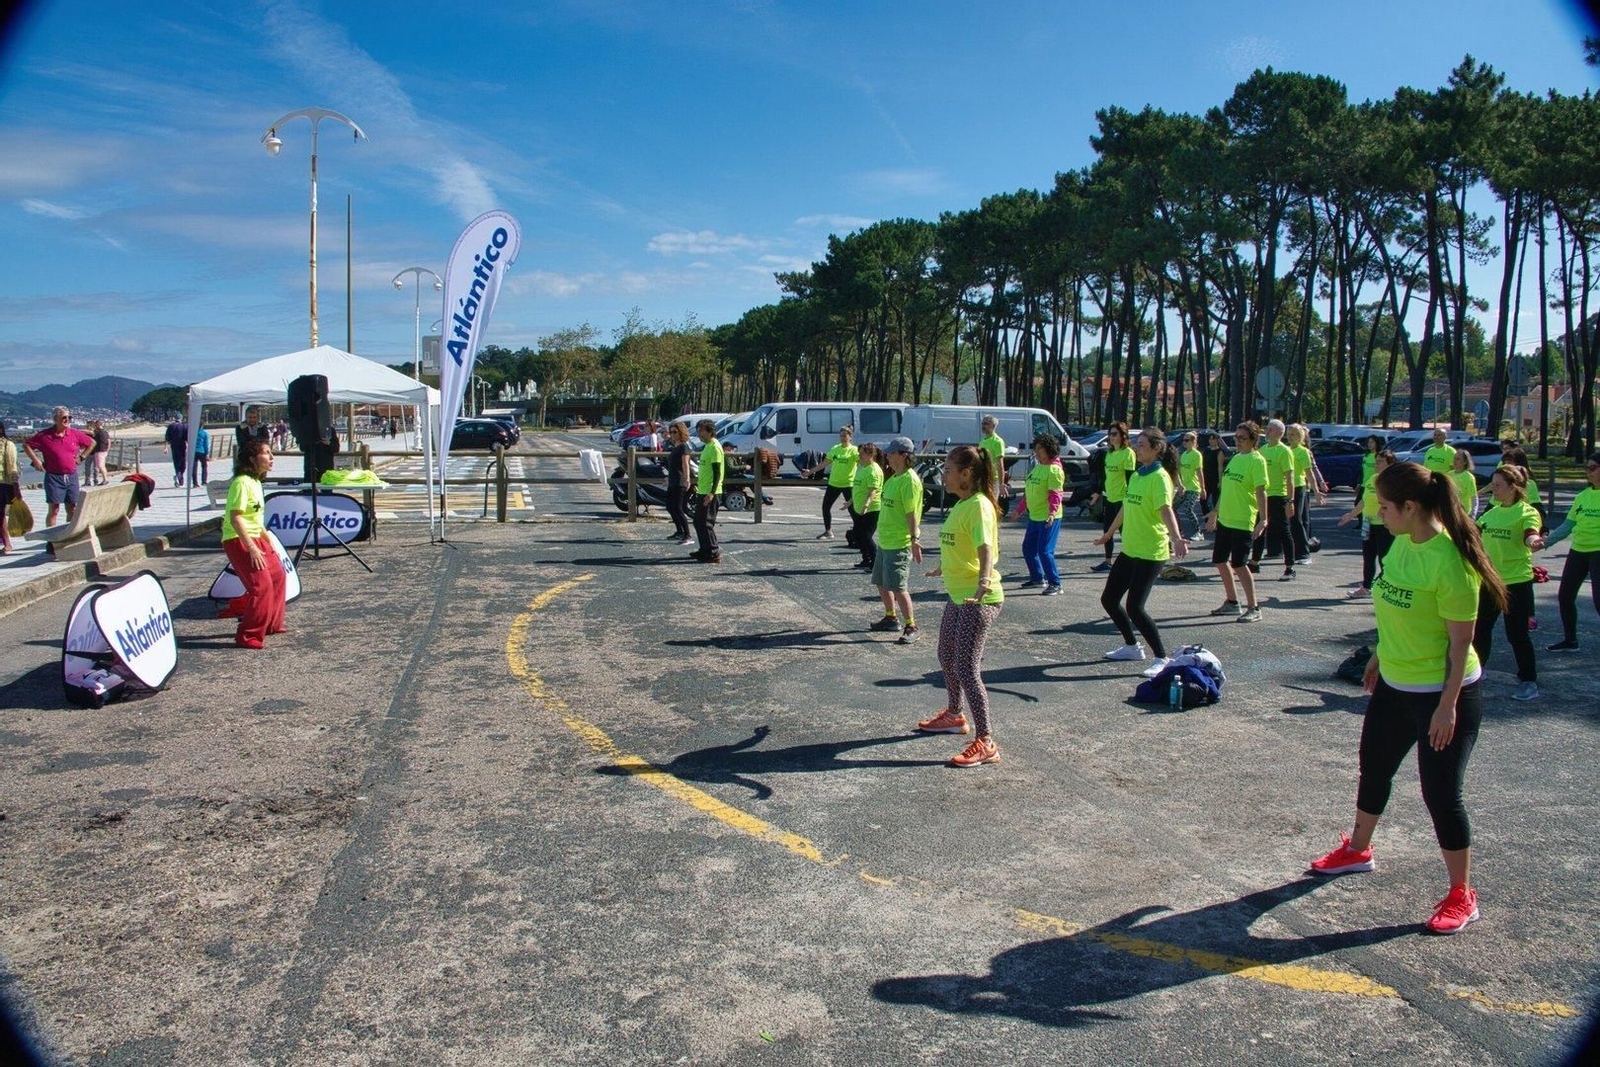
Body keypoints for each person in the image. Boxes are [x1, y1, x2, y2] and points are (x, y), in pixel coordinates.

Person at [1309, 460, 1503, 937]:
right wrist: (1377, 653)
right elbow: (1390, 605)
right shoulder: (1399, 544)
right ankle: (1358, 850)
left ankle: (1462, 893)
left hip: (1442, 694)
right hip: (1394, 686)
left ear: (1411, 507)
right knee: (1374, 767)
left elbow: (1461, 644)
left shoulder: (1451, 562)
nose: (1380, 514)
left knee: (1441, 794)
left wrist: (1446, 705)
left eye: (1385, 507)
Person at [917, 445, 1004, 768]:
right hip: (958, 594)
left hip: (977, 598)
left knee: (967, 668)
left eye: (949, 470)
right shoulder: (962, 504)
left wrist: (983, 581)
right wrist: (944, 566)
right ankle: (954, 715)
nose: (944, 475)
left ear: (966, 474)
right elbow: (959, 542)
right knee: (945, 655)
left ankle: (986, 742)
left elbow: (984, 547)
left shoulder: (978, 505)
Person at [1094, 427, 1188, 674]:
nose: (1137, 447)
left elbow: (1166, 509)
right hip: (1131, 549)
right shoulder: (1137, 475)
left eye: (1143, 444)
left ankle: (1162, 658)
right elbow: (1125, 507)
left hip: (1151, 551)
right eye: (1137, 443)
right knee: (1109, 599)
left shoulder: (1160, 477)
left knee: (1135, 607)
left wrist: (1177, 538)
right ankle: (1132, 646)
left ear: (1157, 449)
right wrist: (1109, 533)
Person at [1474, 466, 1545, 701]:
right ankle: (1476, 672)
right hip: (1490, 581)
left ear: (1513, 487)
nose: (1493, 488)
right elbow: (1473, 531)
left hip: (1516, 583)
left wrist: (1533, 540)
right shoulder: (1492, 512)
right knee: (1480, 628)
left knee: (1517, 634)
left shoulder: (1527, 512)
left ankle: (1528, 681)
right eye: (1492, 484)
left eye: (1498, 485)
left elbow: (1531, 532)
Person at [222, 439, 288, 649]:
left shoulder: (256, 482)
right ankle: (248, 635)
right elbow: (236, 518)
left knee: (278, 576)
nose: (271, 458)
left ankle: (270, 624)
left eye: (271, 453)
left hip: (257, 536)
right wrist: (252, 548)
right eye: (266, 453)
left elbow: (256, 521)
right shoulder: (241, 482)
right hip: (239, 539)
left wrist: (271, 545)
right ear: (252, 458)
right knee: (262, 586)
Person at [1204, 421, 1269, 622]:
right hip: (1226, 519)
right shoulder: (1235, 459)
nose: (1238, 442)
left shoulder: (1257, 461)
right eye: (1236, 438)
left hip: (1242, 520)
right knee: (1220, 561)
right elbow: (1226, 490)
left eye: (1242, 438)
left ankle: (1254, 607)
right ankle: (1232, 602)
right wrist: (1215, 512)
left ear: (1253, 440)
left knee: (1240, 564)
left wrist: (1264, 520)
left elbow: (1261, 492)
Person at [1542, 450, 1600, 654]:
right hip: (1578, 550)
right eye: (1588, 468)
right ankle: (1570, 640)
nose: (1588, 471)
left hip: (1598, 551)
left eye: (1593, 468)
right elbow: (1567, 526)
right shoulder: (1582, 496)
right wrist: (1545, 543)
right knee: (1565, 596)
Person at [871, 437, 924, 643]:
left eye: (891, 453)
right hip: (885, 541)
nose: (888, 456)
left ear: (904, 455)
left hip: (899, 543)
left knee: (899, 587)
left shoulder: (909, 480)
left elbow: (912, 513)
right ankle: (891, 618)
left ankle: (912, 625)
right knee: (881, 582)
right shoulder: (893, 478)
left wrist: (914, 538)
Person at [1337, 449, 1397, 599]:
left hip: (1384, 525)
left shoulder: (1392, 482)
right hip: (1367, 523)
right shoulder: (1372, 479)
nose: (1376, 464)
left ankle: (1387, 587)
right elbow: (1364, 501)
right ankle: (1366, 587)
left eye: (1380, 461)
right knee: (1368, 556)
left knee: (1385, 558)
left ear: (1390, 464)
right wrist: (1351, 515)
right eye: (1376, 461)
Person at [24, 407, 95, 526]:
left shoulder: (74, 434)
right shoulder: (45, 436)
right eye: (64, 417)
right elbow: (26, 445)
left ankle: (70, 536)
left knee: (72, 508)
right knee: (54, 510)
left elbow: (92, 443)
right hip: (53, 477)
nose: (67, 419)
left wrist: (82, 457)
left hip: (71, 476)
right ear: (55, 419)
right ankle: (52, 542)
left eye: (69, 417)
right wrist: (36, 460)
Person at [1250, 418, 1297, 579]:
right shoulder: (1263, 449)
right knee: (1259, 529)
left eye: (1270, 429)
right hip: (1263, 495)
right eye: (1267, 428)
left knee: (1283, 531)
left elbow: (1290, 477)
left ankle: (1290, 567)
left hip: (1279, 496)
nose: (1267, 431)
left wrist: (1291, 501)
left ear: (1279, 433)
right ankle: (1254, 562)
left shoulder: (1284, 451)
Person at [1019, 434, 1065, 594]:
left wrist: (1052, 513)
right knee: (1028, 548)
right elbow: (1028, 492)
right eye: (1035, 448)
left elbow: (1056, 494)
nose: (1036, 452)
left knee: (1044, 550)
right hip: (1035, 517)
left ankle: (1055, 583)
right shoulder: (1038, 467)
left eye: (1040, 448)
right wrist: (1019, 510)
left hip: (1048, 517)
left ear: (1048, 449)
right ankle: (1038, 578)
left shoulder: (1054, 470)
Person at [1090, 422, 1134, 572]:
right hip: (1109, 498)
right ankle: (1108, 561)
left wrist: (1130, 498)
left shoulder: (1128, 453)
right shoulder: (1109, 454)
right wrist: (1098, 492)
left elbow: (1131, 478)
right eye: (1110, 434)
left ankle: (1131, 561)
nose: (1112, 437)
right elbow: (1105, 477)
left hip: (1122, 499)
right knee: (1107, 530)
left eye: (1115, 434)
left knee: (1125, 532)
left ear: (1123, 436)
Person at [803, 426, 858, 541]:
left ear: (850, 437)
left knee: (852, 509)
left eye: (845, 436)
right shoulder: (835, 448)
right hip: (834, 483)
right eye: (841, 435)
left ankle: (859, 530)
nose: (843, 438)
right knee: (826, 507)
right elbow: (824, 463)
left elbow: (862, 464)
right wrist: (810, 471)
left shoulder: (854, 450)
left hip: (848, 484)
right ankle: (828, 531)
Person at [1286, 424, 1324, 564]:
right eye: (1288, 434)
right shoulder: (1287, 450)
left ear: (1300, 437)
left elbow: (1309, 473)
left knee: (1297, 520)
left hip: (1299, 487)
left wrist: (1317, 491)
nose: (1290, 437)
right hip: (1287, 488)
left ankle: (1304, 554)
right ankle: (1294, 551)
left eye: (1293, 435)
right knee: (1291, 521)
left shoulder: (1303, 452)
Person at [691, 418, 723, 563]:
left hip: (711, 492)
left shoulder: (715, 447)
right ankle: (704, 549)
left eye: (701, 431)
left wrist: (712, 492)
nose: (699, 434)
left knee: (706, 523)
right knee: (698, 521)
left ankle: (713, 552)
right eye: (698, 431)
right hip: (702, 490)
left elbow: (718, 472)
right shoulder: (707, 446)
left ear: (710, 431)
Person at [850, 443, 884, 571]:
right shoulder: (863, 467)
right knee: (858, 535)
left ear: (870, 455)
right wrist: (850, 502)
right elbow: (859, 488)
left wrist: (866, 505)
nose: (859, 456)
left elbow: (872, 491)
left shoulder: (873, 470)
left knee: (866, 536)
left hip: (871, 509)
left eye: (862, 454)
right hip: (860, 509)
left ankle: (875, 562)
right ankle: (866, 559)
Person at [663, 421, 693, 546]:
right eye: (671, 432)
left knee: (679, 508)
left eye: (675, 432)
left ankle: (688, 535)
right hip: (673, 480)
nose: (672, 434)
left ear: (681, 432)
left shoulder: (684, 447)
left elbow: (685, 464)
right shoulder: (675, 447)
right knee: (670, 506)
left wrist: (687, 479)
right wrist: (668, 478)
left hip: (680, 481)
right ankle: (679, 532)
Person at [1176, 431, 1205, 543]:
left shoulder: (1196, 454)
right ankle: (1178, 530)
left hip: (1193, 488)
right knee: (1172, 508)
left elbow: (1199, 472)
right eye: (1184, 440)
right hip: (1183, 488)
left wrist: (1203, 488)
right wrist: (1179, 485)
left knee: (1188, 509)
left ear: (1193, 442)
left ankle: (1198, 532)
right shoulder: (1184, 455)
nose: (1184, 442)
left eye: (1187, 440)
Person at [979, 415, 1009, 499]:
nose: (983, 426)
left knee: (991, 505)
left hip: (993, 479)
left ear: (993, 426)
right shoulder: (982, 441)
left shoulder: (997, 441)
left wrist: (1001, 484)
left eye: (986, 424)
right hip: (983, 477)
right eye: (982, 423)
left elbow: (1000, 464)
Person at [1200, 431, 1230, 514]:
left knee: (1215, 501)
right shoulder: (1206, 450)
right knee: (1203, 500)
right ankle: (1207, 519)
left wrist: (1220, 481)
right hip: (1206, 478)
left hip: (1215, 479)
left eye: (1213, 439)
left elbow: (1220, 467)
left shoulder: (1219, 452)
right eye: (1210, 439)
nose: (1211, 441)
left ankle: (1217, 521)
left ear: (1217, 440)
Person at [0, 422, 18, 556]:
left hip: (3, 484)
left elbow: (12, 467)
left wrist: (15, 486)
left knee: (0, 515)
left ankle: (7, 543)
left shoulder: (8, 445)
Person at [1449, 448, 1477, 520]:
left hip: (1463, 514)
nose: (1455, 461)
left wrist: (1473, 514)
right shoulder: (1449, 474)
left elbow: (1474, 498)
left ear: (1465, 462)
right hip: (1450, 512)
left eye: (1458, 459)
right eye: (1454, 458)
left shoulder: (1469, 477)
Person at [164, 417, 188, 487]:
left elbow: (167, 437)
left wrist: (166, 447)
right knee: (182, 463)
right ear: (180, 420)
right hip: (182, 446)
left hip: (173, 446)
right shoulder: (184, 426)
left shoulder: (170, 426)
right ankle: (179, 476)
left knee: (176, 462)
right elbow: (187, 437)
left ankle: (179, 476)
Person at [89, 419, 110, 486]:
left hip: (99, 451)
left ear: (98, 425)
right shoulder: (105, 432)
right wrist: (107, 450)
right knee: (103, 466)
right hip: (104, 451)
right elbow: (109, 442)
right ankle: (105, 479)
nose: (95, 426)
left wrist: (78, 431)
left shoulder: (97, 432)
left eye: (95, 425)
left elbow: (90, 433)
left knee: (100, 466)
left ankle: (105, 480)